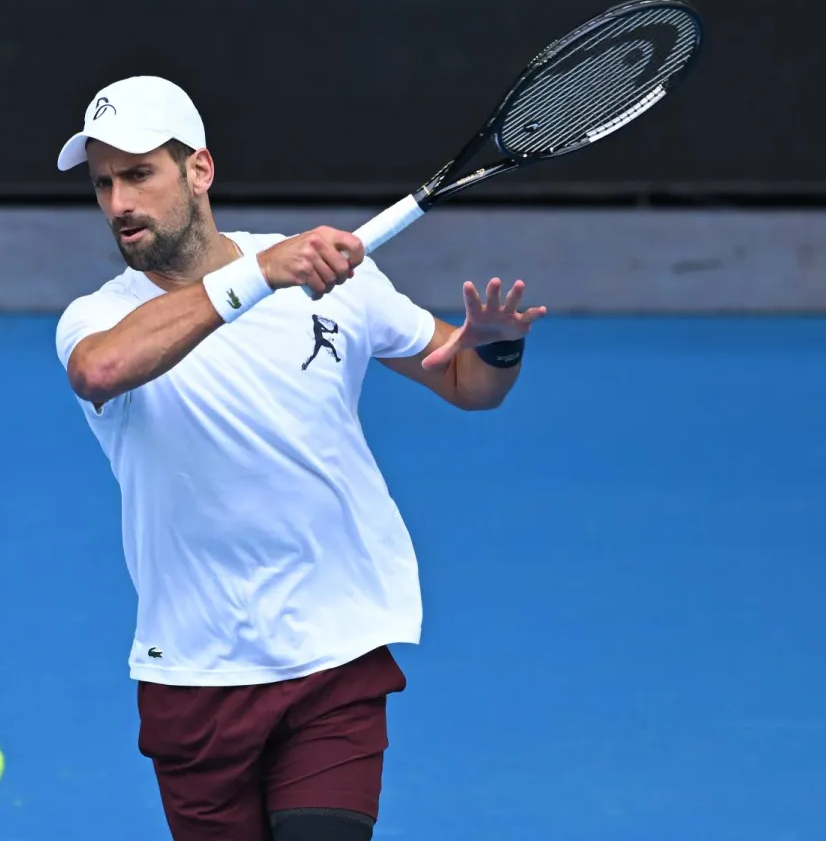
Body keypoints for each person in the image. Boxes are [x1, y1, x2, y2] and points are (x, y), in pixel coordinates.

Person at [53, 76, 546, 841]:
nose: (119, 202)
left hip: (333, 654)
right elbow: (101, 371)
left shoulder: (331, 282)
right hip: (196, 674)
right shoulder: (99, 316)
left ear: (199, 171)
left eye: (139, 173)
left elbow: (465, 381)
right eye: (103, 183)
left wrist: (496, 344)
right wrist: (259, 275)